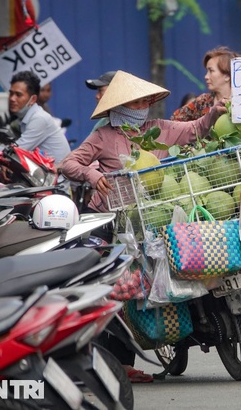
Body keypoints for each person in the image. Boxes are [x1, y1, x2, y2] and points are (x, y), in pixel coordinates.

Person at [60, 71, 227, 382]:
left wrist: (214, 113)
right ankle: (120, 362)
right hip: (117, 222)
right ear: (123, 104)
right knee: (120, 290)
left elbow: (195, 130)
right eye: (139, 100)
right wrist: (94, 176)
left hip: (155, 215)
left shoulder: (159, 128)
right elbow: (69, 163)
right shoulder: (103, 136)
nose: (145, 105)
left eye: (147, 100)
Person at [0, 71, 71, 190]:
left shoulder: (39, 119)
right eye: (11, 93)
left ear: (33, 99)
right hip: (34, 175)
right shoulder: (25, 119)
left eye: (18, 95)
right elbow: (15, 153)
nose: (12, 99)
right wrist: (5, 164)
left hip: (50, 183)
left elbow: (14, 152)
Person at [170, 46, 241, 135]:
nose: (206, 76)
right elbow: (175, 120)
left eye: (211, 71)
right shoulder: (203, 102)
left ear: (227, 76)